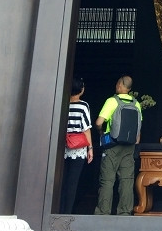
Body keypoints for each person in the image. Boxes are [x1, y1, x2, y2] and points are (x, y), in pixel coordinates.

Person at [94, 75, 142, 216]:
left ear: (119, 85)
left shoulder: (112, 101)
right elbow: (138, 129)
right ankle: (125, 212)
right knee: (127, 180)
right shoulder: (136, 104)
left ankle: (103, 212)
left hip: (112, 146)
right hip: (129, 146)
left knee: (107, 180)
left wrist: (102, 133)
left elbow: (98, 122)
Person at [60, 76, 93, 214]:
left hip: (62, 145)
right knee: (72, 182)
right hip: (77, 147)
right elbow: (86, 128)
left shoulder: (62, 103)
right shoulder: (83, 105)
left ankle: (58, 209)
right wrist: (90, 148)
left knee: (61, 180)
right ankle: (67, 212)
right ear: (81, 90)